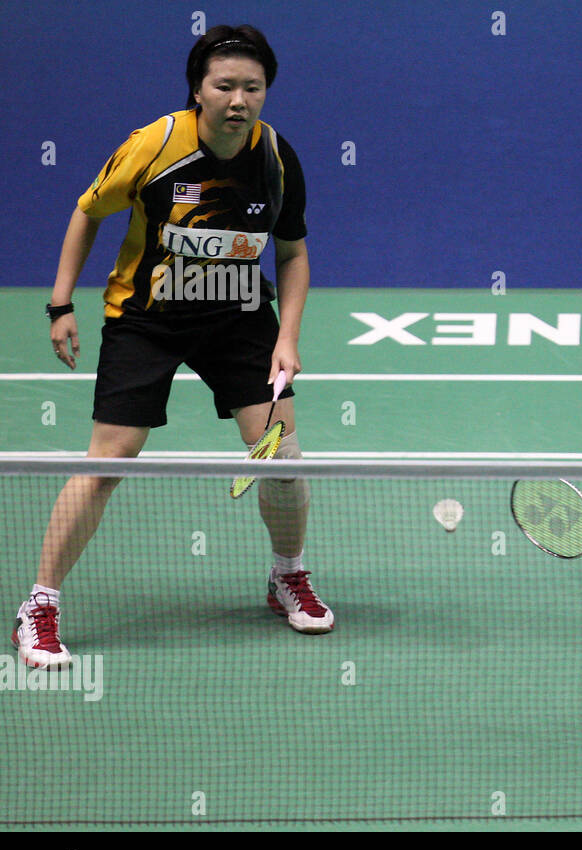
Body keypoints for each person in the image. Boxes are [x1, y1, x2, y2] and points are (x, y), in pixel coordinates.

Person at [14, 24, 334, 670]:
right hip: (148, 318)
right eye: (225, 86)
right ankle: (39, 604)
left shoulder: (274, 158)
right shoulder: (155, 146)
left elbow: (293, 254)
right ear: (198, 90)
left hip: (241, 319)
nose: (239, 99)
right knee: (111, 457)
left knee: (282, 455)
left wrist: (287, 337)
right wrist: (59, 302)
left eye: (253, 86)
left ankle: (286, 574)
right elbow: (87, 210)